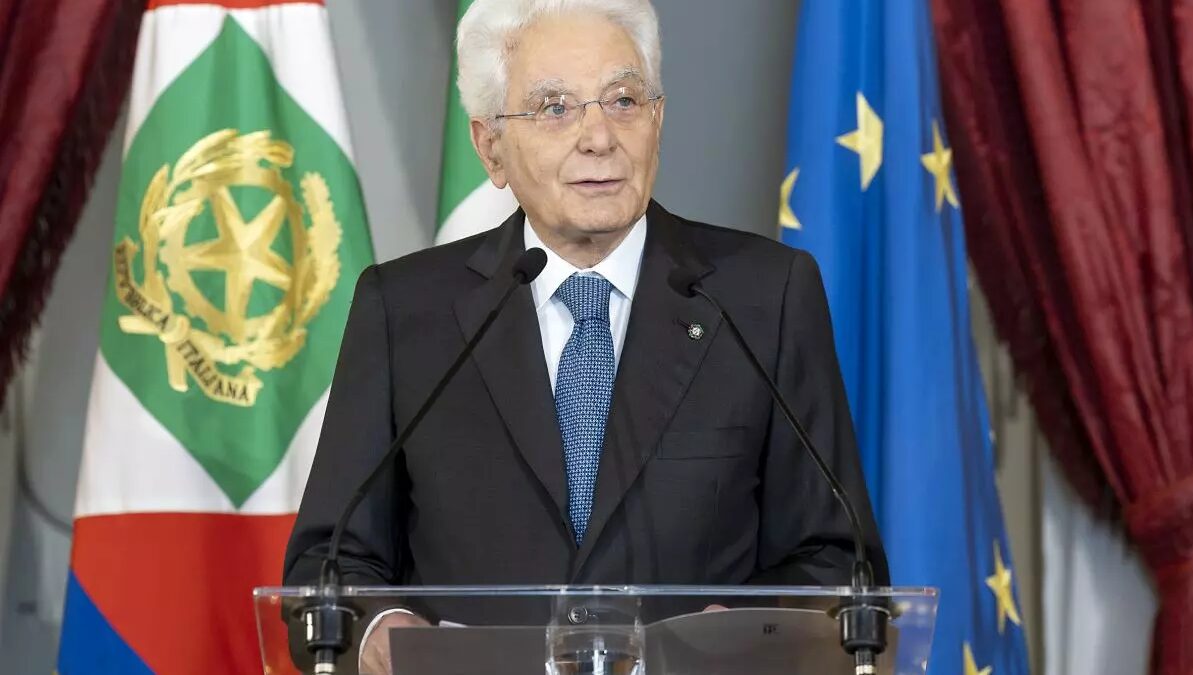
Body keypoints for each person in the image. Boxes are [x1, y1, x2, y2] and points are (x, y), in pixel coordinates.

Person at [284, 0, 888, 671]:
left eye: (623, 100)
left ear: (658, 120)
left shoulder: (763, 296)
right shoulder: (405, 311)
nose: (599, 137)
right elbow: (329, 565)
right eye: (555, 108)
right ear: (490, 147)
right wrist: (381, 630)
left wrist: (748, 631)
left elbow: (838, 561)